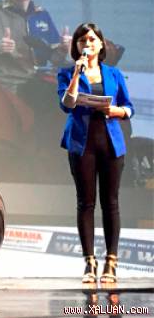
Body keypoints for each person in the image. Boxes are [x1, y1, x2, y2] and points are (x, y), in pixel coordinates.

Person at [57, 23, 134, 283]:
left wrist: (118, 111)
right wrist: (76, 75)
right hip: (82, 144)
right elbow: (67, 105)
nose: (87, 44)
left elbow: (129, 107)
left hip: (110, 144)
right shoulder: (66, 73)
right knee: (85, 203)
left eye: (91, 39)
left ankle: (111, 262)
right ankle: (89, 263)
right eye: (81, 41)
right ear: (76, 47)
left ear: (101, 44)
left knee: (111, 203)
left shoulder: (113, 73)